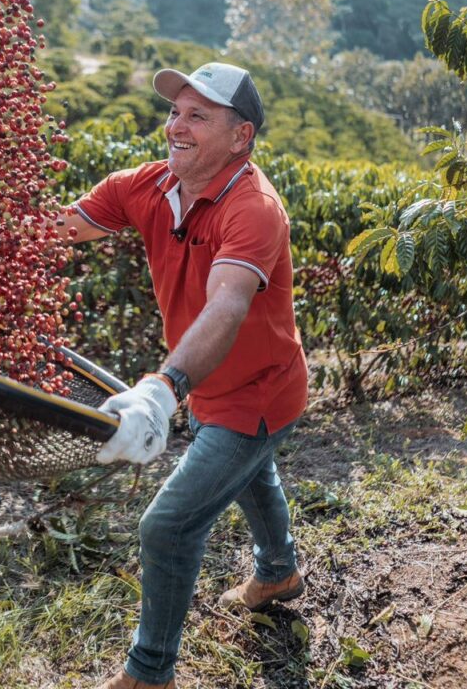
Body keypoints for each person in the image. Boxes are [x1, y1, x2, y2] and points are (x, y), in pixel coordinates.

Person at [55, 63, 308, 689]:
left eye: (198, 115)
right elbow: (55, 231)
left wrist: (163, 387)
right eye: (174, 112)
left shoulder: (254, 209)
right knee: (254, 478)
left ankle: (150, 673)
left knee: (167, 527)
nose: (176, 126)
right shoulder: (147, 186)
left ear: (241, 136)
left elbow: (227, 305)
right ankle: (278, 571)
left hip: (258, 393)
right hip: (205, 385)